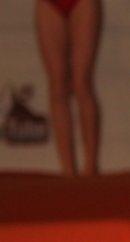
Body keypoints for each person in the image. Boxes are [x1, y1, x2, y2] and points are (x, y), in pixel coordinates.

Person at [35, 0, 101, 177]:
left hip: (82, 3)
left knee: (82, 83)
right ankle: (68, 170)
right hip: (49, 4)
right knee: (57, 85)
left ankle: (91, 168)